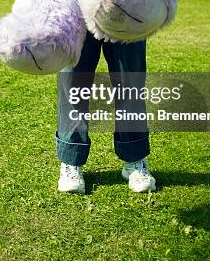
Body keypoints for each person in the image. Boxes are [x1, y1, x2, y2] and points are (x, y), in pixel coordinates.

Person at [56, 31, 156, 194]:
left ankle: (135, 159)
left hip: (128, 11)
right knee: (73, 84)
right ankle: (71, 160)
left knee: (130, 81)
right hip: (77, 11)